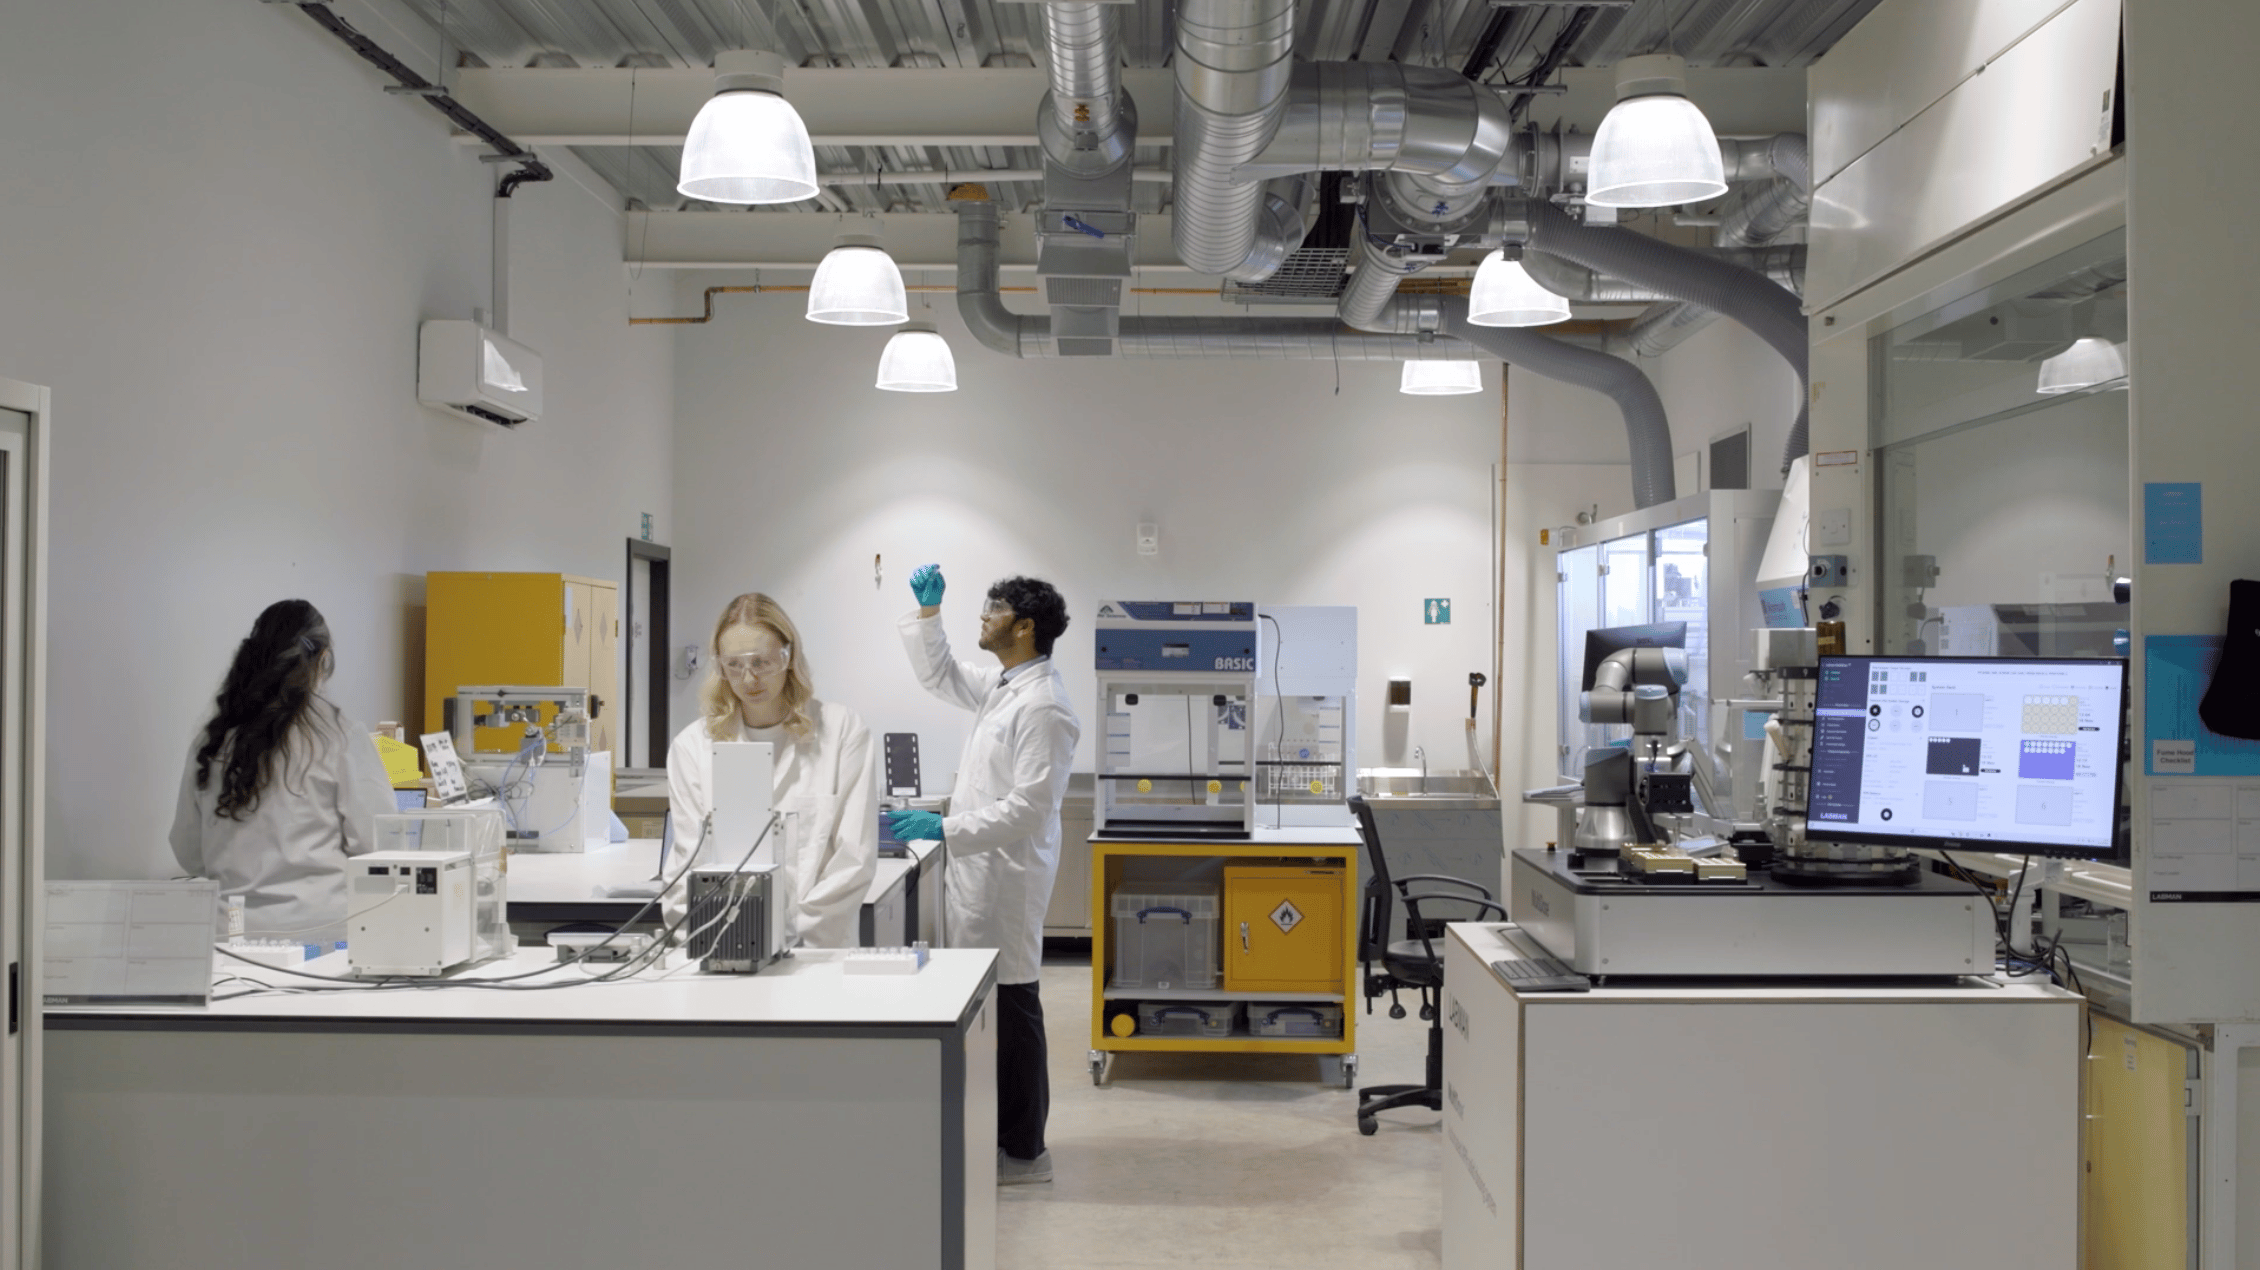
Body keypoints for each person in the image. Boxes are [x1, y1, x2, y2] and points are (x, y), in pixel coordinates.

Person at [891, 566, 1080, 1185]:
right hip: (979, 871)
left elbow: (1028, 808)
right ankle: (1001, 1136)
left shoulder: (1045, 707)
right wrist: (929, 616)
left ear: (1024, 627)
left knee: (1015, 1007)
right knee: (990, 1011)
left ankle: (1027, 1152)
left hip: (1005, 878)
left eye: (992, 610)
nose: (983, 617)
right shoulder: (1007, 686)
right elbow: (940, 674)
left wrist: (941, 829)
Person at [170, 599, 397, 944]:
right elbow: (378, 842)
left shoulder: (214, 739)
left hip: (232, 932)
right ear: (322, 659)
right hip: (323, 931)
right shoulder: (339, 735)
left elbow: (188, 853)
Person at [665, 592, 877, 949]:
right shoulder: (693, 748)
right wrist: (716, 940)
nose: (749, 679)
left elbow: (854, 859)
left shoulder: (841, 731)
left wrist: (784, 935)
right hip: (721, 946)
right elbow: (688, 864)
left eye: (763, 662)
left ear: (789, 657)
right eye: (734, 665)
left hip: (815, 952)